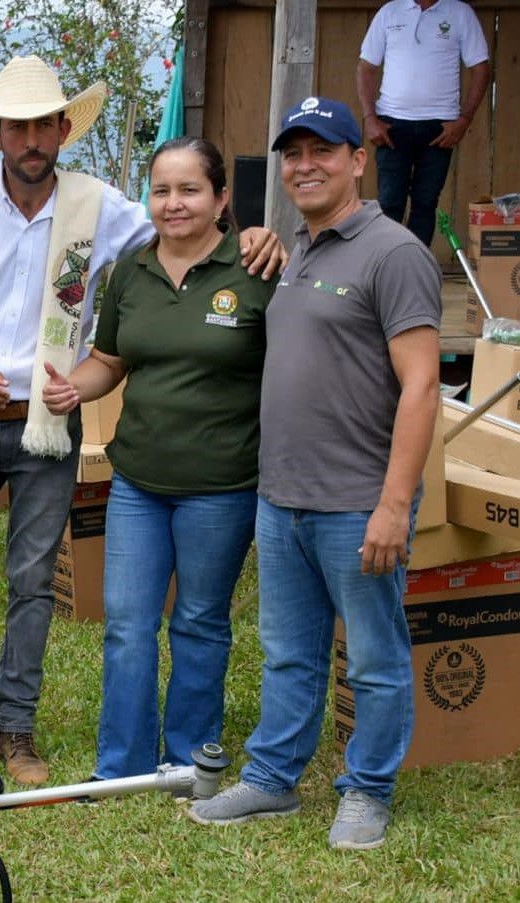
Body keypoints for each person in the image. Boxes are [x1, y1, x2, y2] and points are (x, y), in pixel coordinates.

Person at [0, 55, 285, 786]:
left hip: (49, 424)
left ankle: (16, 730)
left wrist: (253, 236)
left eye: (42, 126)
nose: (30, 141)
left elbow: (181, 226)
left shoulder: (99, 208)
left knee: (31, 581)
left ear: (62, 130)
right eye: (15, 128)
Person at [188, 97, 440, 851]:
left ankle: (367, 789)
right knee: (289, 650)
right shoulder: (297, 253)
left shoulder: (394, 254)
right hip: (283, 498)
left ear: (358, 159)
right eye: (293, 154)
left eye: (323, 150)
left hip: (358, 502)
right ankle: (272, 777)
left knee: (373, 657)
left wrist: (394, 505)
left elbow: (423, 385)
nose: (305, 165)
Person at [49, 137, 273, 781]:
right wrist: (74, 387)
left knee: (200, 623)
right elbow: (110, 360)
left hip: (222, 485)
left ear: (222, 198)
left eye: (190, 190)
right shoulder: (131, 273)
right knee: (126, 624)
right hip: (139, 483)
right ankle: (121, 762)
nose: (173, 204)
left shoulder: (255, 271)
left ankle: (187, 757)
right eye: (162, 190)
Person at [356, 0, 490, 248]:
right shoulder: (390, 12)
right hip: (392, 126)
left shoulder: (460, 13)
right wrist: (370, 119)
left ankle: (414, 274)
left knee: (425, 203)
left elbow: (481, 69)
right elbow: (366, 67)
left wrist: (464, 120)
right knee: (389, 203)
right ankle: (385, 272)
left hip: (440, 127)